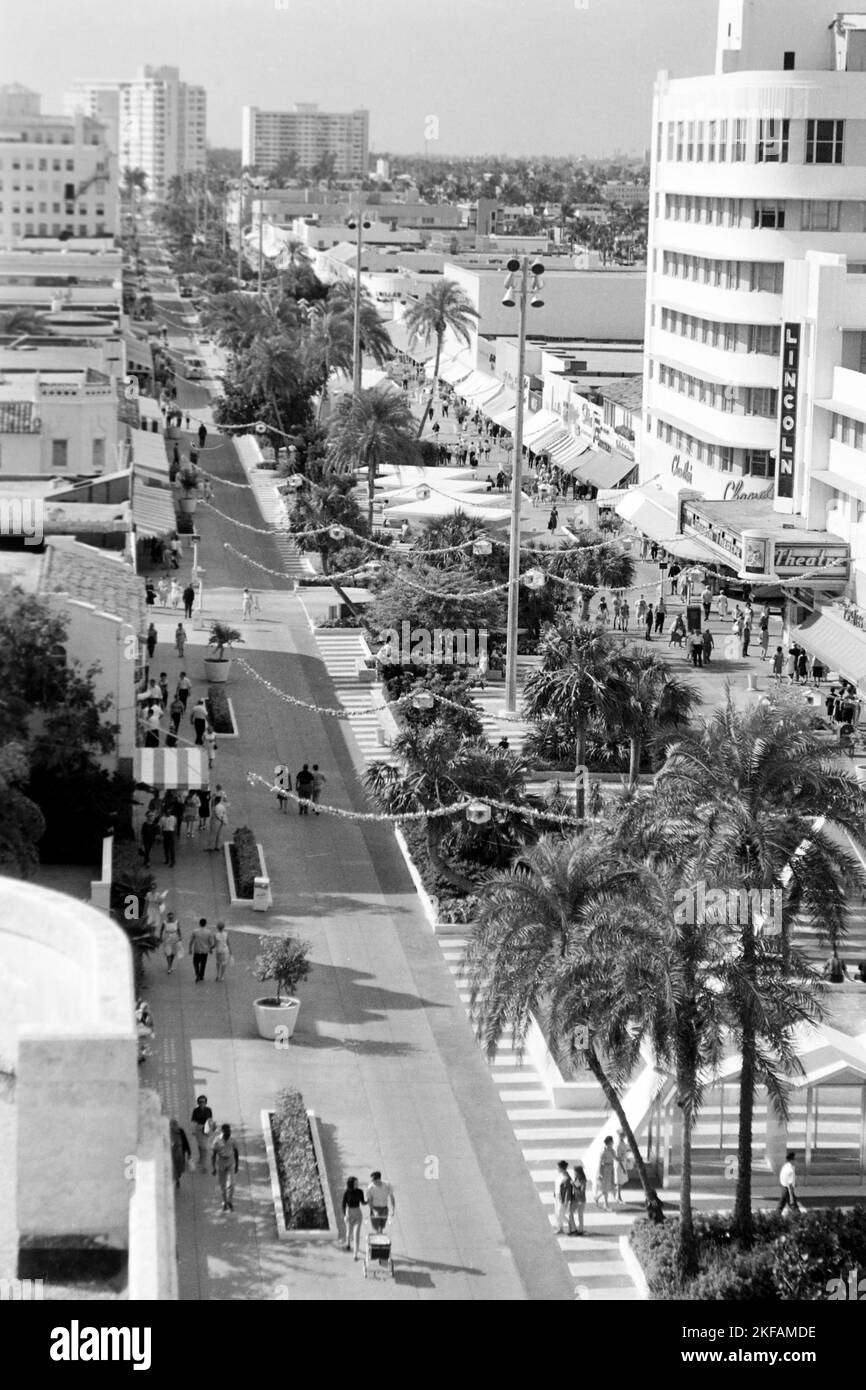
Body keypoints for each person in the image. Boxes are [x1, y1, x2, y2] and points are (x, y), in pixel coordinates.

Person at [212, 1124, 239, 1213]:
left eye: (229, 1131)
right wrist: (214, 1168)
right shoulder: (217, 1141)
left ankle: (229, 1201)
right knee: (222, 1185)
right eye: (227, 1132)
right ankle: (224, 1201)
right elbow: (213, 1154)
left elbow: (236, 1151)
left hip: (231, 1162)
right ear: (222, 1132)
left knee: (232, 1184)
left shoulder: (233, 1140)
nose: (229, 1133)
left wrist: (237, 1165)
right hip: (221, 1163)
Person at [342, 1176, 367, 1259]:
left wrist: (369, 1201)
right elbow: (343, 1204)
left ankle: (355, 1254)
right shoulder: (347, 1192)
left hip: (358, 1215)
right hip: (349, 1214)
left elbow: (363, 1202)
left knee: (356, 1235)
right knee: (349, 1232)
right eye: (355, 1183)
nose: (357, 1184)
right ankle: (348, 1244)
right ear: (351, 1184)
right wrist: (344, 1215)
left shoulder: (360, 1192)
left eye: (357, 1183)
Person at [553, 1159, 577, 1235]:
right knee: (557, 1213)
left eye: (558, 1167)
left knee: (560, 1213)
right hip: (557, 1196)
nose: (557, 1168)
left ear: (561, 1168)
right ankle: (560, 1228)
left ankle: (570, 1223)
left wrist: (566, 1201)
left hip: (562, 1198)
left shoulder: (567, 1178)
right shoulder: (560, 1175)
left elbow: (568, 1191)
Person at [190, 1095, 214, 1171]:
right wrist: (193, 1130)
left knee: (205, 1148)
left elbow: (210, 1119)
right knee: (202, 1146)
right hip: (199, 1129)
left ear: (205, 1102)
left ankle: (204, 1165)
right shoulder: (196, 1111)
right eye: (200, 1102)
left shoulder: (208, 1110)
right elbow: (193, 1121)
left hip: (206, 1129)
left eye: (203, 1102)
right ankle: (201, 1158)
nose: (201, 1103)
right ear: (198, 1102)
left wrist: (211, 1129)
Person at [189, 918, 215, 983]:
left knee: (195, 963)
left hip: (197, 950)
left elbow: (191, 941)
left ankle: (197, 973)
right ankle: (201, 975)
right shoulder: (209, 932)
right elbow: (211, 942)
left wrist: (190, 949)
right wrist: (210, 949)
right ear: (205, 924)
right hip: (205, 951)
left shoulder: (195, 931)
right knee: (203, 964)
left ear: (199, 923)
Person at [596, 1135, 617, 1212]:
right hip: (605, 1169)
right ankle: (606, 1204)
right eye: (611, 1142)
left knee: (608, 1187)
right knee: (605, 1187)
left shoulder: (612, 1150)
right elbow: (600, 1163)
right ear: (608, 1143)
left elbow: (615, 1157)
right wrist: (600, 1173)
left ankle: (597, 1198)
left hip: (610, 1169)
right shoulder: (603, 1151)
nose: (612, 1143)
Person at [169, 1119, 192, 1190]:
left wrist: (189, 1152)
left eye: (175, 1124)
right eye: (172, 1125)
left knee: (179, 1169)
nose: (174, 1126)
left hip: (180, 1153)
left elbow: (185, 1141)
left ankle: (177, 1177)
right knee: (173, 1168)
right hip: (171, 1153)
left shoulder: (181, 1131)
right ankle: (176, 1179)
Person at [778, 1150, 799, 1214]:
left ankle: (775, 1216)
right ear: (792, 1160)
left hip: (783, 1187)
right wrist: (791, 1197)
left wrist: (794, 1183)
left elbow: (782, 1176)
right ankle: (798, 1218)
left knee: (781, 1205)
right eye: (795, 1159)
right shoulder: (790, 1170)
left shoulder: (786, 1166)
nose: (796, 1160)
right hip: (787, 1189)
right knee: (793, 1206)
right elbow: (789, 1185)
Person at [570, 1161, 589, 1234]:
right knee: (570, 1213)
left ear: (578, 1172)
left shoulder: (582, 1181)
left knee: (580, 1215)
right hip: (575, 1199)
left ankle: (580, 1230)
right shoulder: (576, 1179)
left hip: (581, 1200)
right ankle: (574, 1228)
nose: (574, 1173)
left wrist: (574, 1185)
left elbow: (581, 1192)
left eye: (575, 1172)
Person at [615, 1132, 630, 1202]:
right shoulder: (619, 1145)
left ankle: (618, 1195)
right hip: (620, 1164)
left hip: (622, 1163)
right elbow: (618, 1157)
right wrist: (623, 1168)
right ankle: (618, 1196)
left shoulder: (622, 1143)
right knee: (619, 1182)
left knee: (620, 1182)